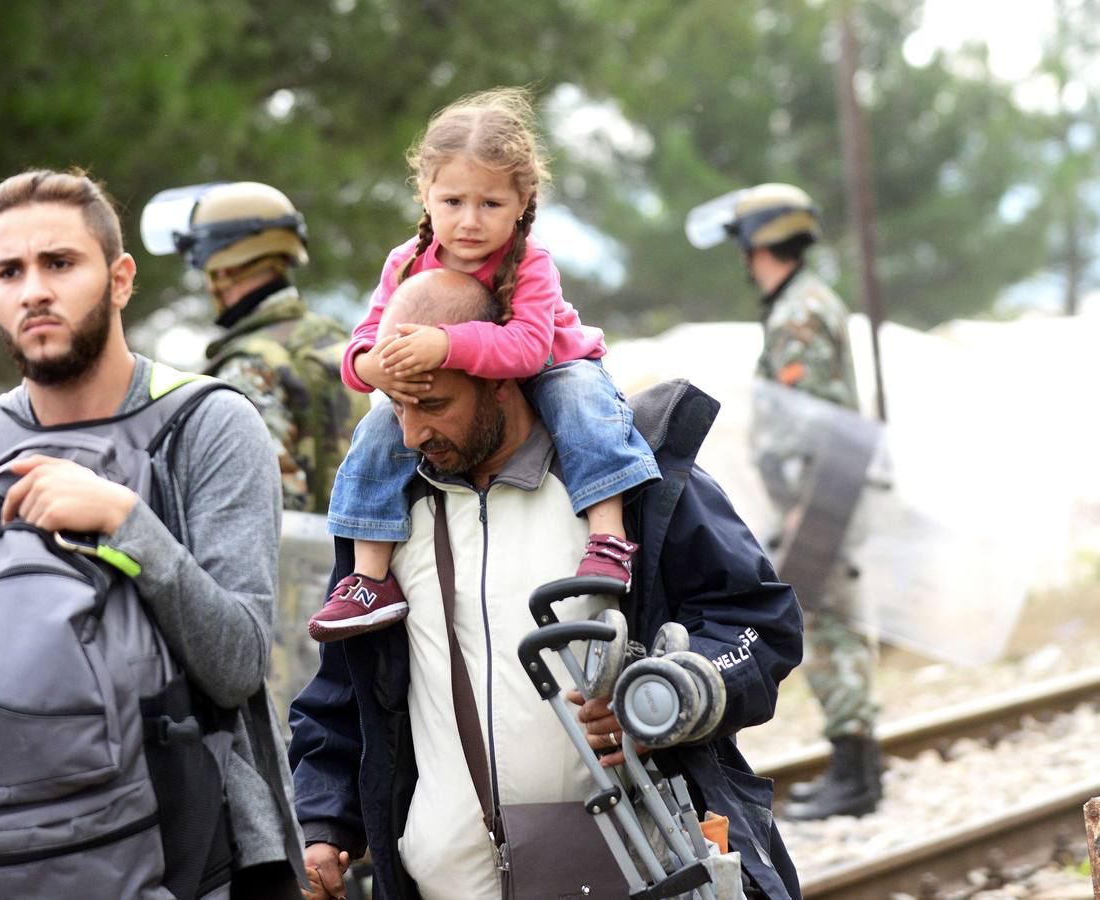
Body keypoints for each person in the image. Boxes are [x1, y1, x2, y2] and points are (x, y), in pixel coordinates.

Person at [289, 270, 804, 899]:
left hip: (639, 872)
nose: (410, 434)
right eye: (397, 406)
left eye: (433, 404)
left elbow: (760, 624)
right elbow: (344, 691)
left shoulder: (635, 484)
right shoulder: (385, 517)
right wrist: (322, 823)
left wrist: (663, 693)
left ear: (500, 375)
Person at [0, 168, 306, 896]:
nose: (33, 290)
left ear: (120, 278)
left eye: (60, 263)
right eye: (8, 271)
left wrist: (126, 522)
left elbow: (235, 665)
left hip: (189, 858)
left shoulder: (207, 425)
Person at [309, 87, 660, 642]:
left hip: (552, 365)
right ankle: (368, 577)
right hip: (452, 376)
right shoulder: (406, 262)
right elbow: (366, 338)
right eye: (453, 202)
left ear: (522, 201)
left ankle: (608, 535)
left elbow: (525, 347)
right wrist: (371, 367)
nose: (470, 221)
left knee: (581, 401)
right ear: (426, 193)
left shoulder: (529, 261)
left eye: (490, 205)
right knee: (377, 426)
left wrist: (445, 345)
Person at [699, 182, 882, 819]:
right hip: (825, 493)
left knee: (831, 631)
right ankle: (857, 771)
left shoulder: (798, 313)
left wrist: (809, 512)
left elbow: (821, 424)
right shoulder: (806, 302)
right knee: (837, 628)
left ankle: (855, 779)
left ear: (759, 241)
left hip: (823, 496)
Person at [148, 181, 368, 514]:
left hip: (290, 560)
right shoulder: (335, 340)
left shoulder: (249, 365)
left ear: (222, 269)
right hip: (360, 556)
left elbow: (257, 496)